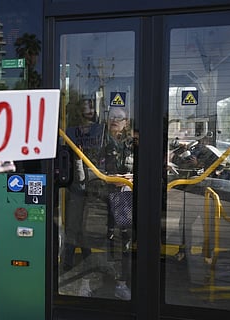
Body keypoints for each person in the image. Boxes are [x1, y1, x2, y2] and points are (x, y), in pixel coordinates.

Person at [101, 106, 133, 300]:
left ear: (126, 122)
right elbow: (94, 169)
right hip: (102, 195)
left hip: (125, 196)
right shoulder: (101, 141)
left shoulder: (130, 143)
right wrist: (113, 176)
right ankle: (112, 276)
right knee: (111, 238)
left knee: (125, 238)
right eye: (112, 117)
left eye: (119, 118)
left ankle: (122, 281)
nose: (115, 121)